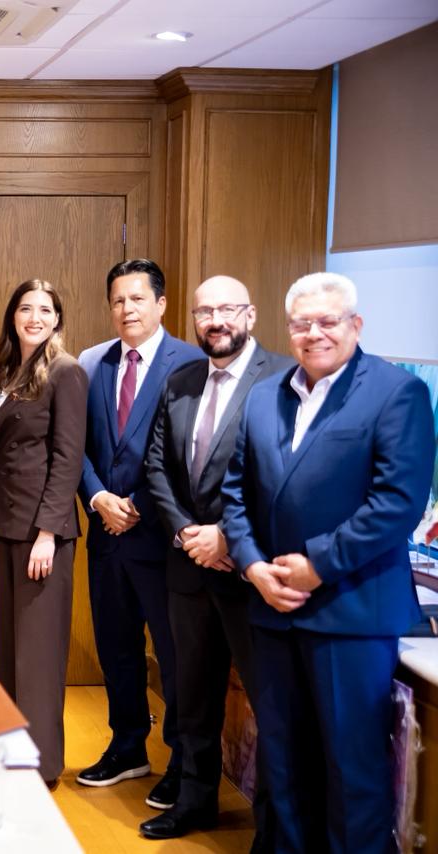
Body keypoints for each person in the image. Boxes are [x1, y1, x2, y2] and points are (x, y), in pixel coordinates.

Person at [221, 272, 433, 853]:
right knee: (283, 770)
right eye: (301, 324)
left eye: (328, 321)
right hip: (272, 610)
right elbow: (235, 494)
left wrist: (316, 565)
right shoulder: (264, 395)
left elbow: (398, 503)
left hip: (350, 615)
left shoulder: (396, 392)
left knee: (351, 775)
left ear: (355, 325)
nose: (314, 333)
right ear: (287, 329)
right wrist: (253, 566)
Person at [142, 275, 289, 843]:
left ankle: (272, 830)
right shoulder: (181, 380)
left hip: (252, 574)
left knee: (271, 707)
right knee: (193, 699)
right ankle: (195, 802)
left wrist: (228, 537)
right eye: (205, 311)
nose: (216, 320)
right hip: (189, 569)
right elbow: (157, 466)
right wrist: (186, 533)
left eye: (227, 309)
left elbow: (285, 474)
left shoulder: (282, 379)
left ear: (250, 314)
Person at [76, 258, 204, 808]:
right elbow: (76, 445)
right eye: (117, 300)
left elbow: (191, 455)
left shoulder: (192, 363)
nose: (126, 309)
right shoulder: (94, 363)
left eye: (137, 299)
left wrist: (139, 506)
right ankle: (127, 746)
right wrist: (97, 496)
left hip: (162, 539)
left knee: (174, 657)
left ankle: (181, 761)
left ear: (161, 304)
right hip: (106, 536)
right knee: (117, 649)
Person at [0, 279, 88, 788]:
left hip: (41, 535)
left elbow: (68, 458)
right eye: (25, 308)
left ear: (57, 319)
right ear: (13, 315)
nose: (34, 317)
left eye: (45, 309)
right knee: (8, 651)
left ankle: (41, 767)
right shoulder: (7, 372)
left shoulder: (66, 372)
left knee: (39, 657)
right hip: (6, 528)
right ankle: (11, 750)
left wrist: (47, 532)